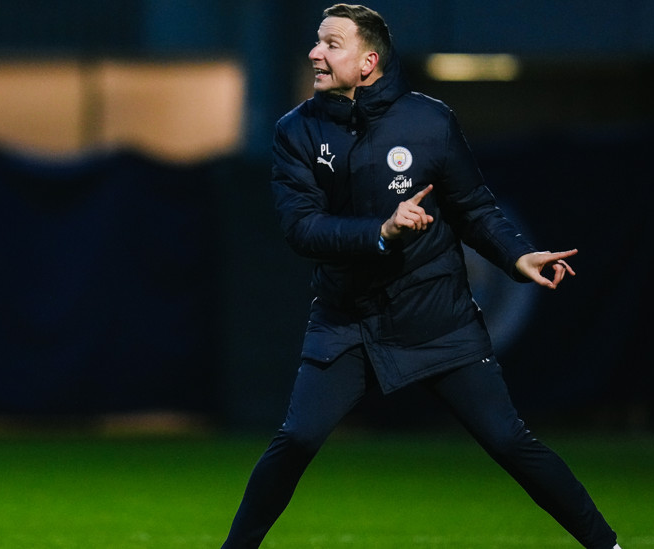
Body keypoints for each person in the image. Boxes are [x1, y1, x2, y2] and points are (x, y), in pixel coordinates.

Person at [221, 4, 622, 549]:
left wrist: (517, 256)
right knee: (295, 440)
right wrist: (381, 232)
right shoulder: (296, 131)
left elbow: (474, 208)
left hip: (437, 319)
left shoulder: (429, 121)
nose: (315, 53)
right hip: (348, 321)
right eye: (317, 42)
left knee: (510, 442)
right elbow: (302, 229)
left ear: (368, 62)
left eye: (331, 44)